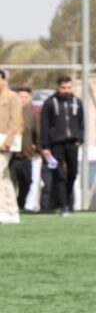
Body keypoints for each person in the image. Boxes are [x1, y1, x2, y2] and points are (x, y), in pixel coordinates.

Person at [39, 75, 84, 217]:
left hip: (72, 144)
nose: (66, 90)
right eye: (63, 88)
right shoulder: (50, 103)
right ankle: (63, 205)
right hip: (56, 144)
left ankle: (68, 201)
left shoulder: (77, 102)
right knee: (59, 175)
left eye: (69, 87)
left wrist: (80, 138)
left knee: (73, 174)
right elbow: (44, 125)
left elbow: (81, 122)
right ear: (58, 87)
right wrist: (45, 146)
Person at [0, 70, 25, 225]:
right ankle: (12, 211)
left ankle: (2, 210)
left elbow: (15, 120)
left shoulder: (12, 97)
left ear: (4, 80)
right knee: (4, 176)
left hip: (6, 140)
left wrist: (7, 141)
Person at [10, 86, 39, 212]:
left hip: (26, 155)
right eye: (20, 97)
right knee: (10, 183)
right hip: (11, 156)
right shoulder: (9, 112)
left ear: (30, 99)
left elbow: (37, 133)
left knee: (27, 182)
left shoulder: (31, 115)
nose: (23, 99)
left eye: (25, 97)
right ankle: (10, 207)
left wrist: (39, 149)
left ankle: (20, 204)